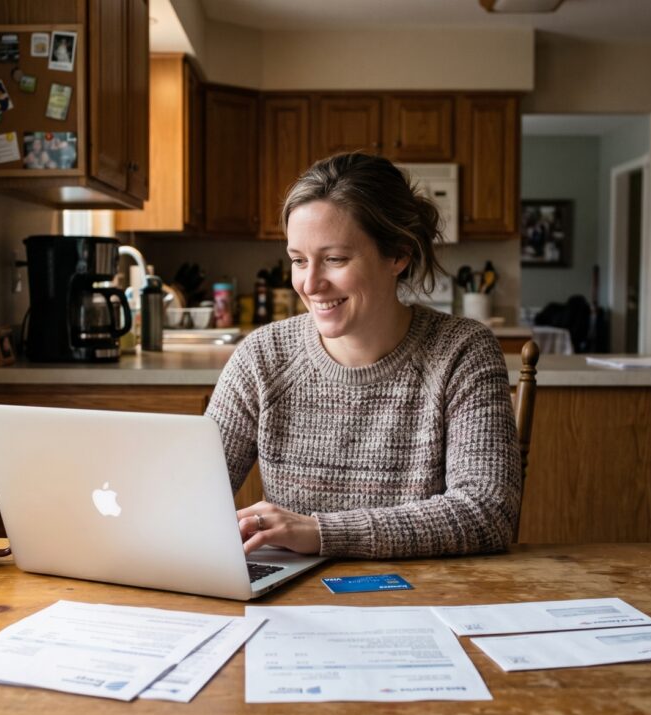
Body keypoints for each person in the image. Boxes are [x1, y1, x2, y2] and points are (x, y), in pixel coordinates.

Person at [205, 152, 521, 559]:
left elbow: (487, 512)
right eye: (298, 261)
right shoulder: (262, 357)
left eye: (334, 259)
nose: (311, 283)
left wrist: (321, 532)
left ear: (398, 255)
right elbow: (194, 497)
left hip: (422, 598)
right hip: (295, 602)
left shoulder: (462, 351)